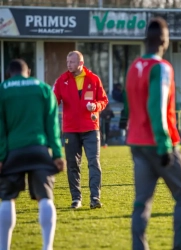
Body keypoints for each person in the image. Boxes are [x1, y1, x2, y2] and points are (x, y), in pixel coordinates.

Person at [125, 17, 181, 250]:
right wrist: (165, 145)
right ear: (164, 41)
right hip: (158, 142)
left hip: (136, 142)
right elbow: (158, 107)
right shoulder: (162, 68)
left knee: (141, 203)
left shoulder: (134, 66)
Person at [0, 59, 65, 250]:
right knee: (45, 197)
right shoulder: (43, 89)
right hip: (39, 150)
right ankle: (47, 247)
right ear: (29, 71)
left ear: (8, 73)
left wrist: (1, 156)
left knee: (7, 197)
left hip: (13, 152)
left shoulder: (3, 90)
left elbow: (1, 128)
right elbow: (52, 126)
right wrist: (58, 153)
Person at [53, 51, 108, 209]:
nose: (68, 64)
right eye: (67, 61)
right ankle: (76, 199)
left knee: (94, 163)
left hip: (91, 128)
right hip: (70, 130)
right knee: (72, 165)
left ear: (81, 63)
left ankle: (95, 198)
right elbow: (53, 101)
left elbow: (103, 100)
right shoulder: (62, 80)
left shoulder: (93, 79)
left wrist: (96, 106)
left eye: (71, 61)